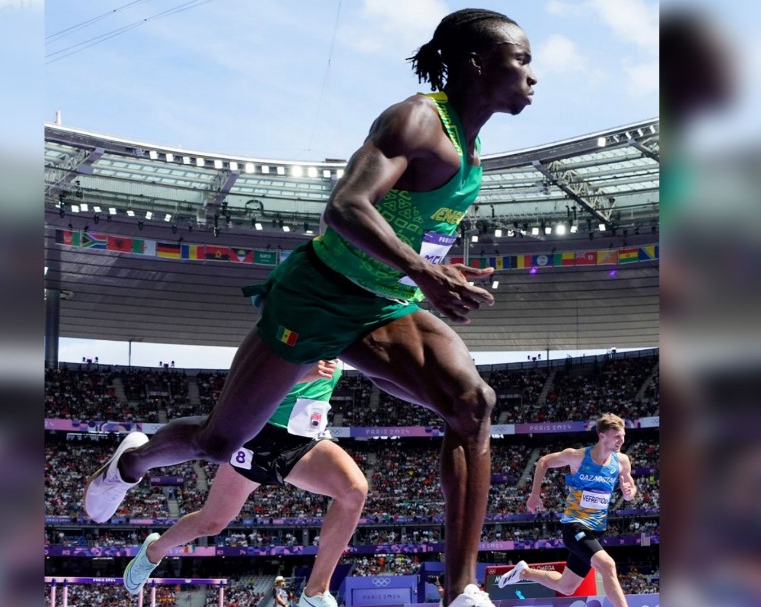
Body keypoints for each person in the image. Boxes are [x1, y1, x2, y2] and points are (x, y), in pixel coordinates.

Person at [84, 9, 537, 606]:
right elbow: (346, 208)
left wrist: (433, 268)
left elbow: (417, 229)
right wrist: (425, 271)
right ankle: (132, 463)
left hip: (384, 304)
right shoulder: (419, 121)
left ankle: (463, 591)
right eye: (523, 60)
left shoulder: (472, 149)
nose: (533, 76)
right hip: (319, 295)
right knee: (220, 442)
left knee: (471, 403)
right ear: (479, 63)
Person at [122, 361, 364, 607]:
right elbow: (247, 383)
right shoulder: (291, 332)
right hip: (258, 437)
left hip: (304, 441)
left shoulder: (344, 338)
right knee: (211, 522)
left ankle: (315, 593)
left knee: (354, 491)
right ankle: (154, 550)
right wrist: (297, 375)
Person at [497, 414, 638, 607]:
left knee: (566, 586)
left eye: (622, 436)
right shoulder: (577, 456)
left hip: (596, 530)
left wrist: (629, 493)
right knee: (608, 565)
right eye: (617, 436)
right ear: (602, 436)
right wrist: (535, 494)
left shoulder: (622, 461)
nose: (621, 440)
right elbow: (544, 461)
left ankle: (523, 572)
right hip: (574, 526)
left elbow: (630, 490)